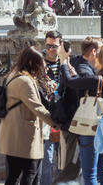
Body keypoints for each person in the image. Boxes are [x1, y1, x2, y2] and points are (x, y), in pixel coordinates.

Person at [62, 44, 103, 185]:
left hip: (90, 129)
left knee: (89, 174)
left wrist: (63, 63)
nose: (96, 58)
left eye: (100, 56)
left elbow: (69, 82)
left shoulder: (96, 80)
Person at [0, 46, 58, 185]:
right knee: (30, 173)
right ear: (32, 63)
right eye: (41, 64)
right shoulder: (25, 81)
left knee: (14, 175)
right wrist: (56, 122)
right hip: (23, 136)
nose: (43, 67)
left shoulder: (14, 74)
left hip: (15, 134)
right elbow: (37, 107)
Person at [41, 30, 65, 185]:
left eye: (54, 46)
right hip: (46, 116)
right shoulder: (38, 62)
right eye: (48, 46)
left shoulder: (66, 62)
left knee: (63, 161)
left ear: (61, 45)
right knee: (46, 160)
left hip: (63, 116)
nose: (51, 49)